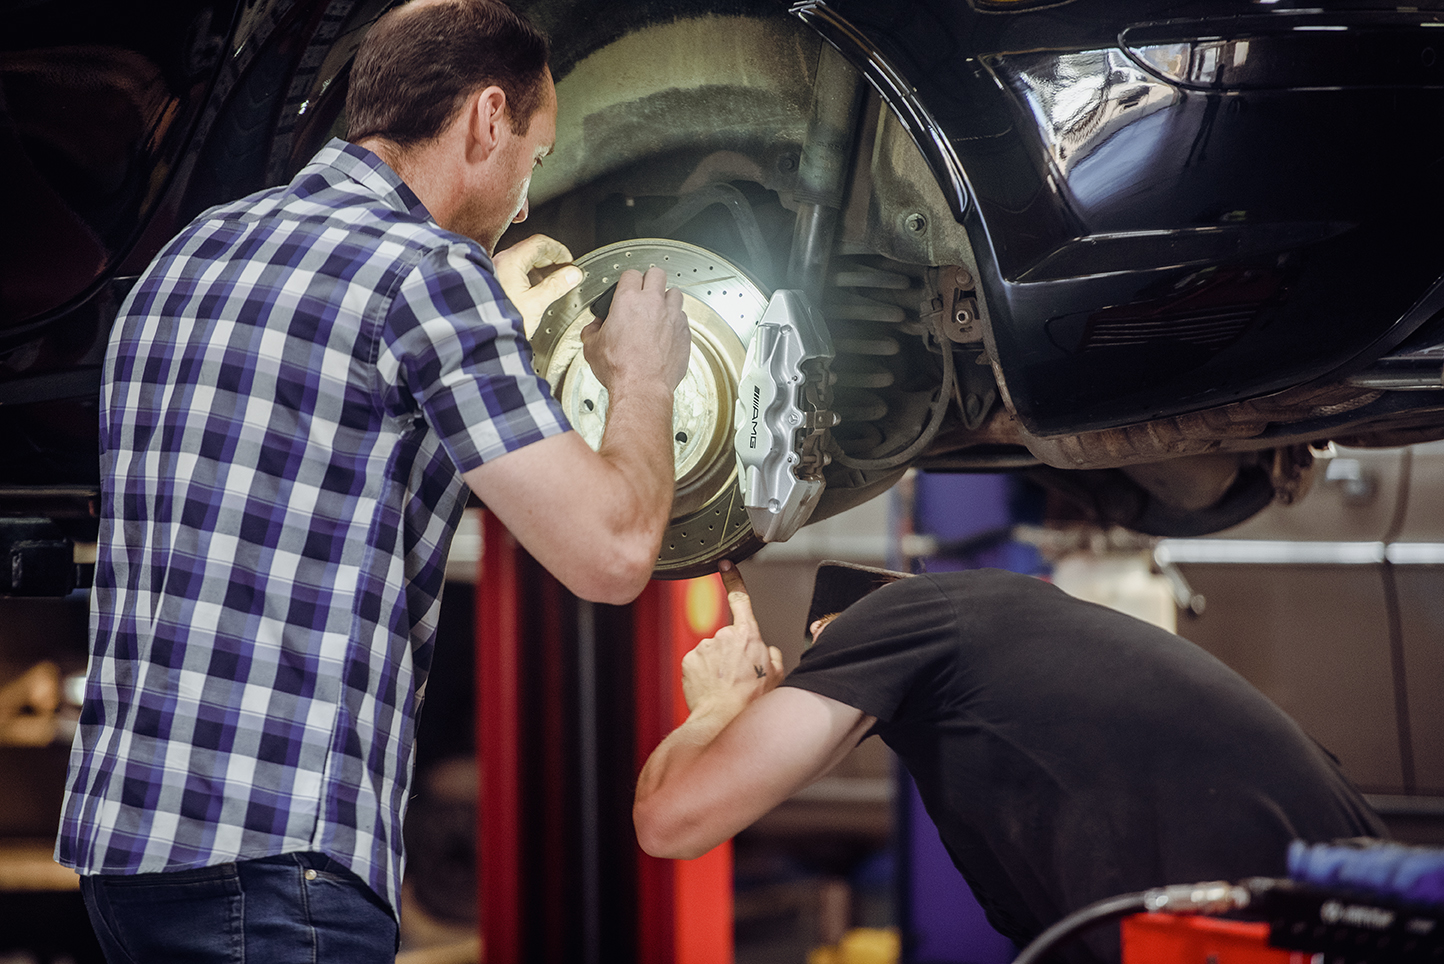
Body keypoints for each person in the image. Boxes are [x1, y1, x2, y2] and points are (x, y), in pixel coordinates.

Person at [56, 0, 690, 960]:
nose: (525, 198)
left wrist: (490, 334)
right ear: (486, 118)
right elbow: (611, 552)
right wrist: (644, 378)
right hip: (276, 866)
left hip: (127, 855)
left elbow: (301, 452)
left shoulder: (190, 253)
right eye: (537, 153)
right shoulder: (426, 276)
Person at [635, 561, 1386, 964]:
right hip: (1343, 912)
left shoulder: (904, 620)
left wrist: (720, 705)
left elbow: (673, 819)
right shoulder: (1001, 682)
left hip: (1298, 927)